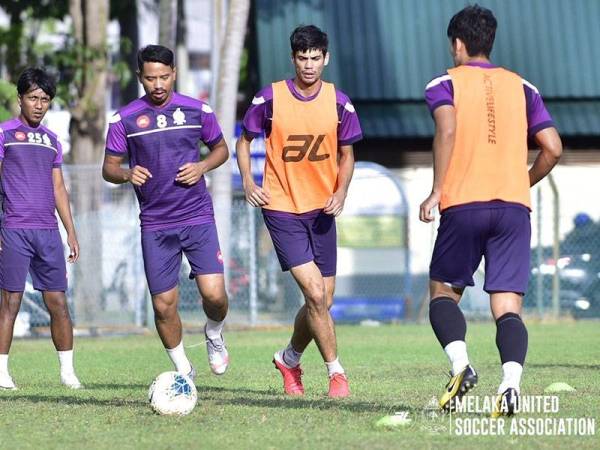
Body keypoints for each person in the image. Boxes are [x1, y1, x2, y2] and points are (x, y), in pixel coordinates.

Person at [420, 5, 562, 415]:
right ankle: (511, 385)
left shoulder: (444, 82)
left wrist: (436, 191)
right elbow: (552, 148)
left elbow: (446, 129)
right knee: (507, 307)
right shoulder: (523, 87)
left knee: (444, 292)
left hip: (464, 203)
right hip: (514, 209)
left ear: (458, 44)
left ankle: (462, 366)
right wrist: (522, 181)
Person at [237, 25, 362, 398]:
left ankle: (289, 358)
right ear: (293, 59)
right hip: (282, 208)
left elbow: (347, 155)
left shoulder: (339, 103)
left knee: (323, 297)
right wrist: (248, 181)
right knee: (315, 293)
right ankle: (336, 372)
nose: (309, 65)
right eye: (302, 58)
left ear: (326, 58)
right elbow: (244, 143)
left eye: (315, 58)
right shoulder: (269, 100)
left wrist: (341, 191)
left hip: (322, 210)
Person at [103, 45, 230, 379]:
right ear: (139, 78)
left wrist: (202, 166)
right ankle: (183, 370)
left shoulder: (197, 110)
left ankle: (214, 334)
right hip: (156, 223)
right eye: (150, 78)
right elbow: (109, 168)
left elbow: (221, 149)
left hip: (197, 215)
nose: (157, 84)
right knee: (163, 305)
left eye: (163, 77)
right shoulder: (124, 118)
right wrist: (128, 173)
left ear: (173, 73)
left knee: (215, 296)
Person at [0, 68, 82, 390]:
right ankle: (2, 371)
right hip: (14, 230)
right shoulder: (4, 134)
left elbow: (59, 188)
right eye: (33, 97)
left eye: (45, 99)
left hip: (48, 233)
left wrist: (70, 232)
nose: (38, 104)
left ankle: (67, 372)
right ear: (20, 98)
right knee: (10, 302)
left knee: (58, 302)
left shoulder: (52, 141)